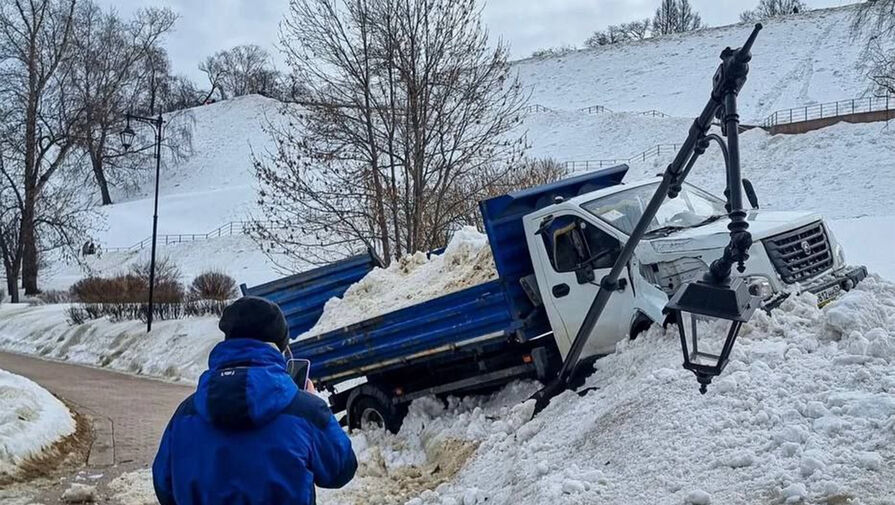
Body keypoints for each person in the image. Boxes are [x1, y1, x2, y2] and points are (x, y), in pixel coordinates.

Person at [152, 296, 357, 505]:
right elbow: (341, 470)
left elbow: (164, 488)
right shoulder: (306, 411)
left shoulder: (185, 414)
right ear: (281, 347)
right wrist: (314, 407)